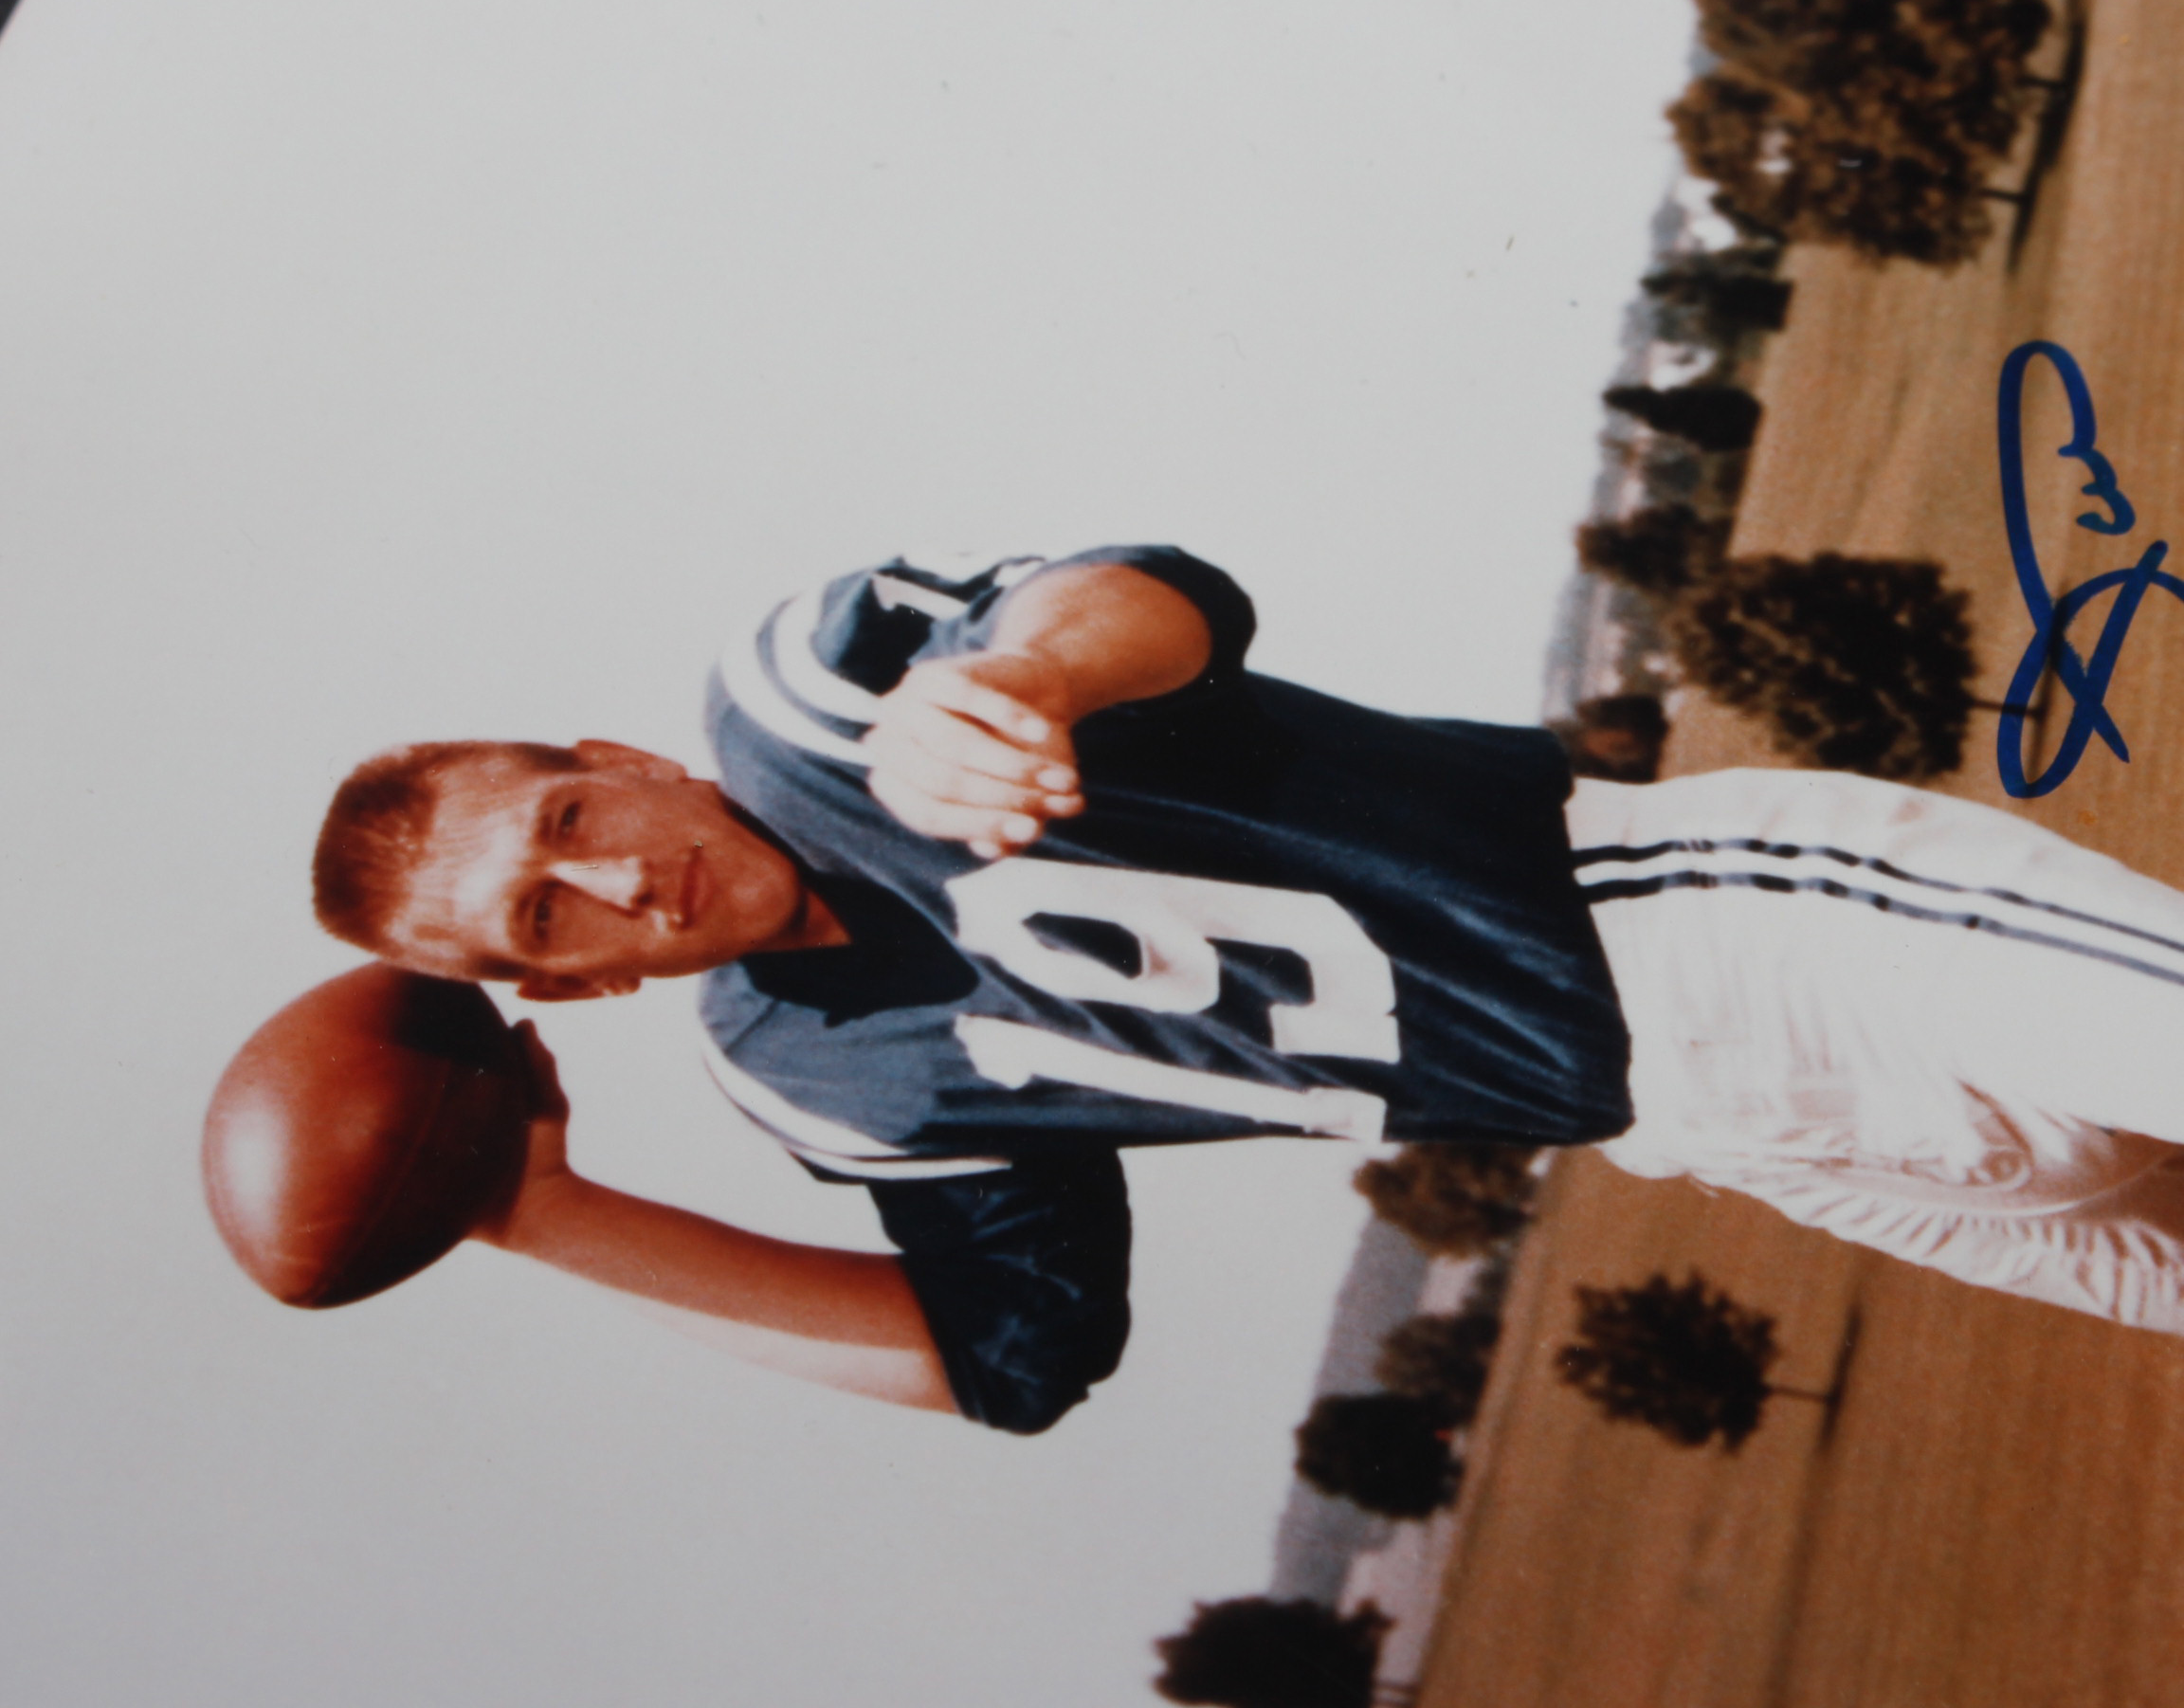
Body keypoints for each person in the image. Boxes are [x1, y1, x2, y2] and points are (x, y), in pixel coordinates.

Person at [314, 546, 2184, 1431]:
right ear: (570, 992)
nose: (618, 882)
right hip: (1712, 1131)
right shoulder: (816, 1075)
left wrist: (1029, 681)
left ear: (609, 747)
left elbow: (1164, 590)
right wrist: (545, 1216)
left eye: (572, 817)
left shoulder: (812, 693)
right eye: (549, 922)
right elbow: (1014, 1358)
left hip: (1735, 925)